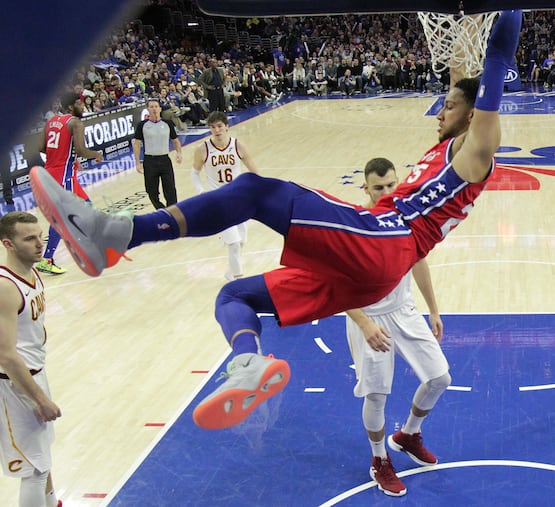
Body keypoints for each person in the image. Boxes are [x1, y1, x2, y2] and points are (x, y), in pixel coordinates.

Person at [29, 10, 522, 432]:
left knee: (255, 190)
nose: (440, 111)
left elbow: (495, 63)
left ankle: (114, 235)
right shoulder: (447, 146)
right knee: (233, 295)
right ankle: (247, 364)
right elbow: (467, 70)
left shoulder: (475, 152)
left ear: (475, 113)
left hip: (384, 239)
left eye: (450, 106)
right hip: (372, 268)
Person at [347, 158, 450, 497]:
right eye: (379, 188)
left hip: (403, 309)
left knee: (439, 378)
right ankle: (380, 459)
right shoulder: (352, 226)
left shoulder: (406, 218)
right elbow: (335, 286)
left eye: (392, 185)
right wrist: (363, 324)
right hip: (368, 317)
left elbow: (419, 261)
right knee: (377, 394)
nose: (388, 192)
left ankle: (408, 434)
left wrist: (433, 310)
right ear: (366, 188)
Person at [0, 212, 63, 507]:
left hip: (35, 373)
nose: (40, 244)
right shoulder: (5, 287)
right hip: (15, 385)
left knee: (43, 457)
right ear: (8, 244)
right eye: (29, 239)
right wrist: (39, 399)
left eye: (40, 236)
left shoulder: (32, 270)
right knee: (34, 469)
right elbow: (6, 355)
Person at [36, 92, 104, 275]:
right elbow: (81, 150)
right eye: (78, 104)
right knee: (62, 219)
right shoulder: (75, 122)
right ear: (69, 107)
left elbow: (42, 148)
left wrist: (68, 158)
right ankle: (48, 258)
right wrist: (96, 154)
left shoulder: (51, 122)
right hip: (63, 176)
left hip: (53, 172)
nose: (82, 107)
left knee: (87, 207)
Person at [191, 111, 258, 280]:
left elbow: (254, 171)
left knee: (241, 242)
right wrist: (200, 191)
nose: (217, 130)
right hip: (218, 201)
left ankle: (230, 273)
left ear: (227, 126)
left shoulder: (238, 145)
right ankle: (238, 280)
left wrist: (259, 190)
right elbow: (194, 173)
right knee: (234, 244)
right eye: (213, 127)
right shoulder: (202, 148)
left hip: (239, 199)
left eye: (219, 126)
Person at [133, 98, 183, 210]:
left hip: (165, 159)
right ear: (148, 109)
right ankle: (162, 211)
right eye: (151, 107)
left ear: (160, 109)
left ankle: (173, 213)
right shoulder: (142, 125)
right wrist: (137, 162)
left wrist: (179, 153)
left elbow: (175, 140)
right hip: (149, 161)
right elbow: (136, 144)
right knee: (151, 191)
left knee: (170, 190)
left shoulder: (167, 124)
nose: (154, 109)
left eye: (156, 106)